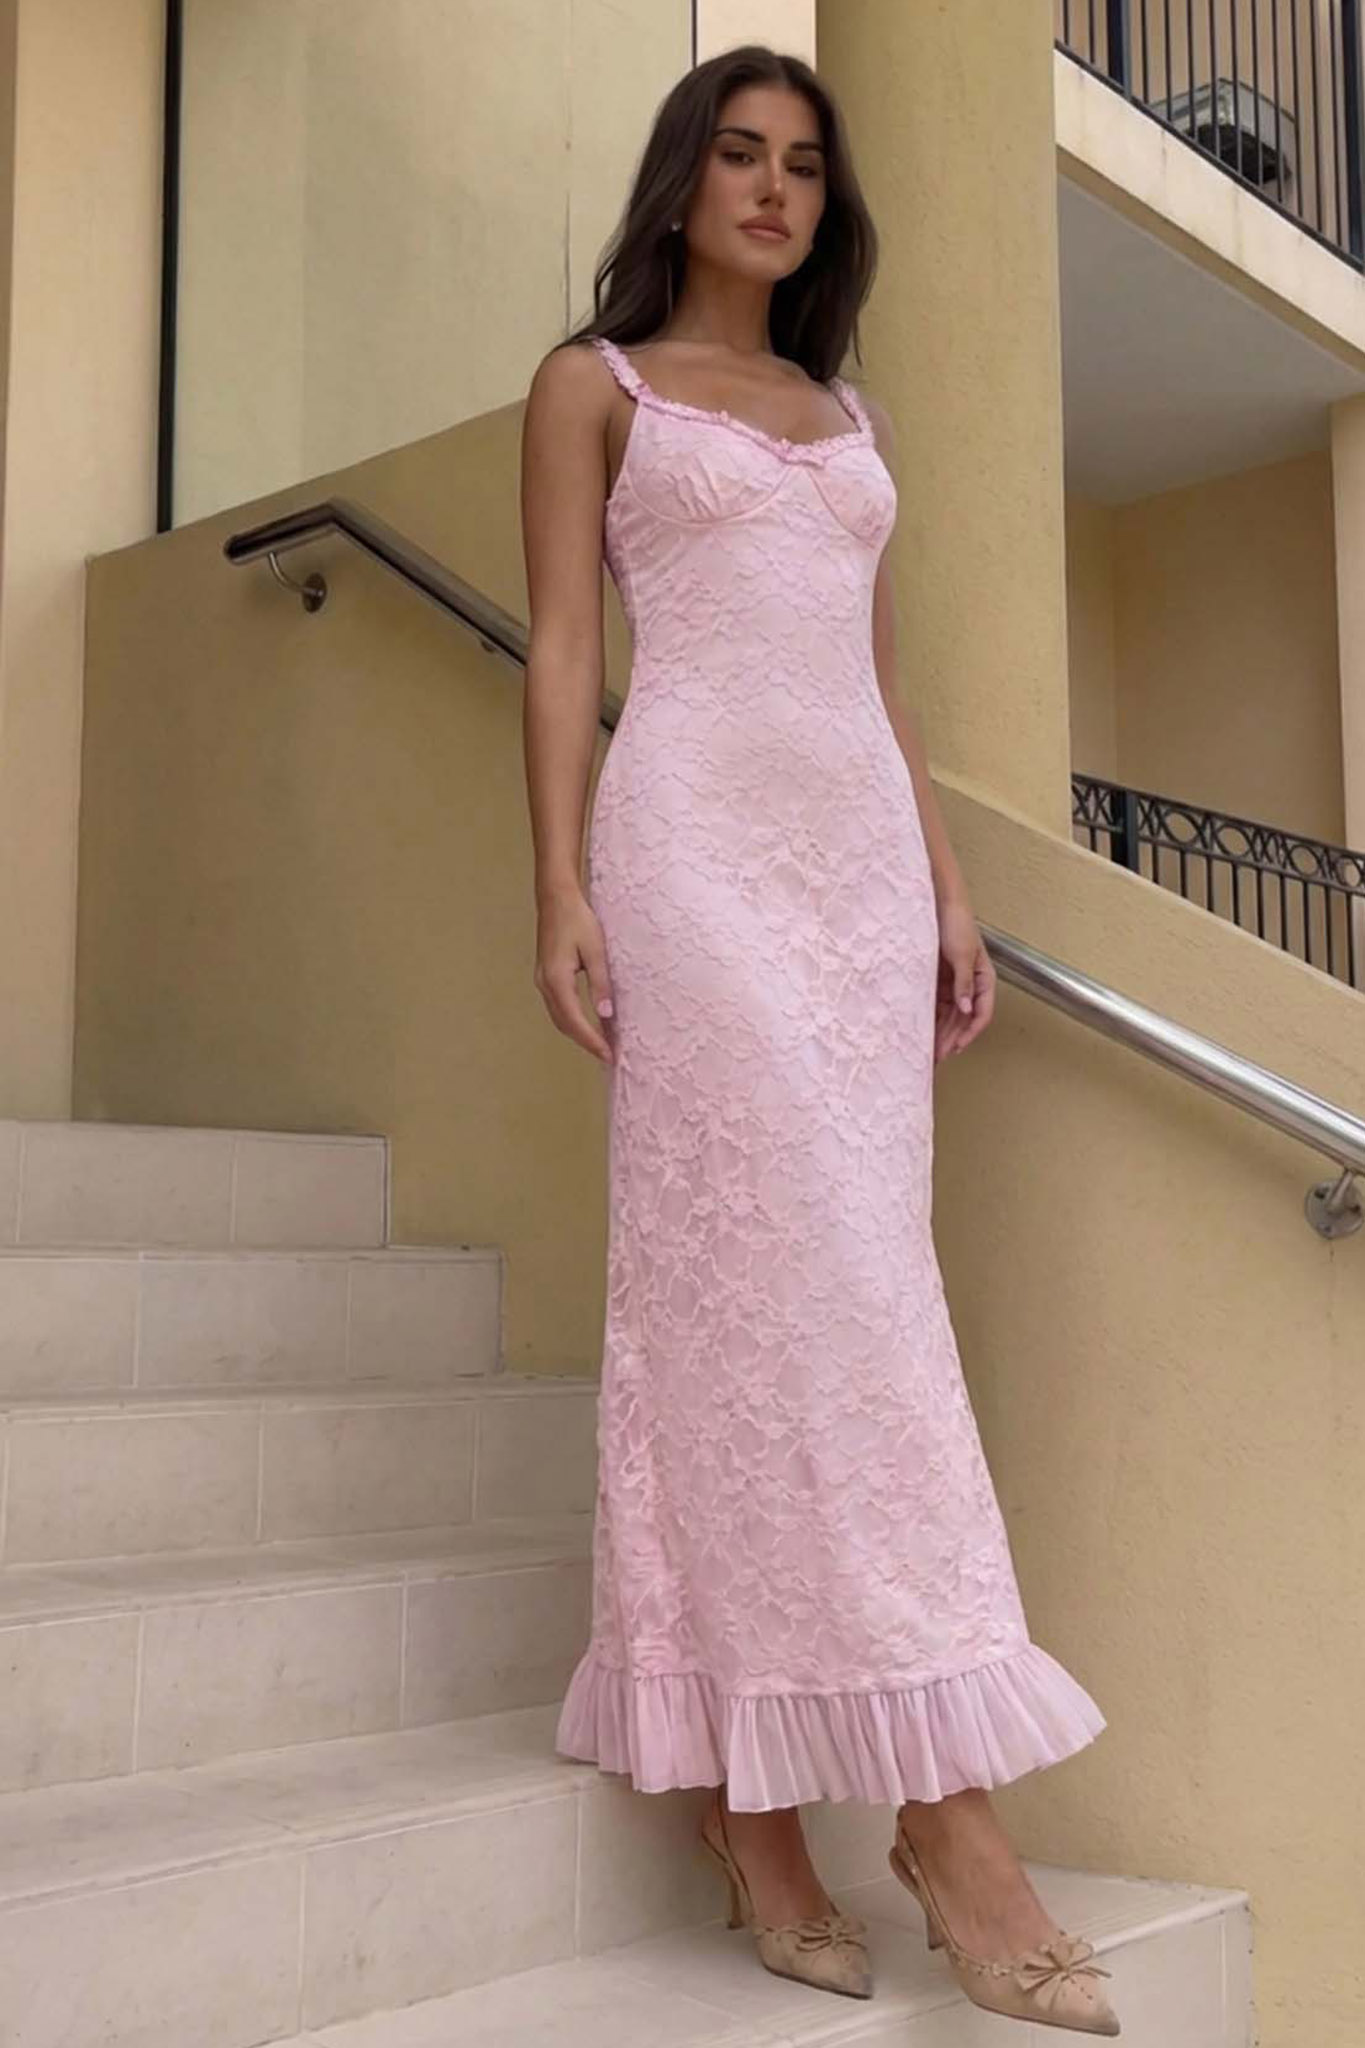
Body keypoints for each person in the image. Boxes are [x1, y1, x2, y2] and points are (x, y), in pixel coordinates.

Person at [518, 42, 1120, 2039]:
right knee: (779, 1298)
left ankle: (756, 1805)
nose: (771, 188)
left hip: (855, 884)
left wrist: (939, 887)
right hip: (689, 857)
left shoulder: (847, 414)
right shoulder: (594, 388)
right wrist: (558, 886)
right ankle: (945, 1827)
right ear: (680, 181)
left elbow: (877, 682)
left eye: (800, 162)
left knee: (830, 1300)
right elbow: (564, 652)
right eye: (737, 155)